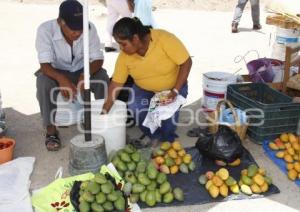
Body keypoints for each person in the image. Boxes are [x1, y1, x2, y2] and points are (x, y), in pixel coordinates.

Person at [102, 17, 192, 148]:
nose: (121, 48)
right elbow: (116, 84)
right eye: (118, 44)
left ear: (136, 38)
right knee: (136, 108)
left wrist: (175, 91)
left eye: (123, 44)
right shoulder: (124, 57)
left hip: (174, 86)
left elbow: (186, 62)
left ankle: (167, 138)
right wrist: (104, 112)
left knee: (167, 120)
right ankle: (154, 136)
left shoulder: (164, 39)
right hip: (144, 89)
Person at [35, 0, 109, 151]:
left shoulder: (89, 28)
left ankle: (104, 122)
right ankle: (51, 130)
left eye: (80, 28)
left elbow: (98, 59)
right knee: (43, 82)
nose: (78, 33)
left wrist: (84, 75)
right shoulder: (45, 30)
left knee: (102, 77)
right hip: (56, 71)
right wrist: (61, 79)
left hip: (82, 69)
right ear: (60, 21)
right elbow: (44, 65)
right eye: (73, 29)